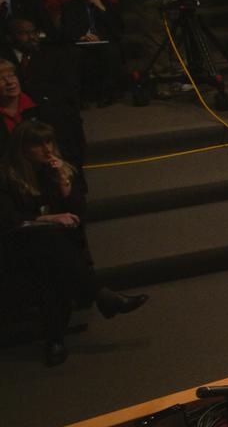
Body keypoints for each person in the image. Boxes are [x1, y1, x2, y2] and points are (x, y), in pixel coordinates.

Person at [0, 120, 147, 366]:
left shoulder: (58, 171)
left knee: (51, 270)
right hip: (17, 246)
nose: (47, 150)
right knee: (47, 244)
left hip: (55, 249)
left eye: (49, 142)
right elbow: (9, 221)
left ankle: (55, 339)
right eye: (38, 145)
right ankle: (100, 295)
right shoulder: (6, 177)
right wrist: (49, 218)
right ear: (22, 148)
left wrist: (64, 183)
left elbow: (78, 213)